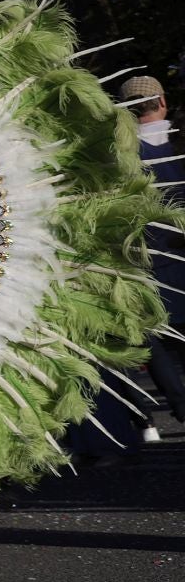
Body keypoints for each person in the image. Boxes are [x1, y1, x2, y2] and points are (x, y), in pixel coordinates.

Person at [124, 75, 185, 427]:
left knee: (157, 338)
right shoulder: (178, 140)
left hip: (149, 255)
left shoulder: (125, 154)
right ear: (161, 101)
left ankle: (179, 406)